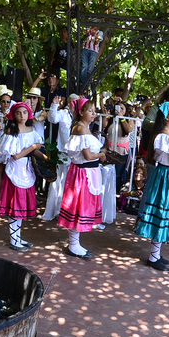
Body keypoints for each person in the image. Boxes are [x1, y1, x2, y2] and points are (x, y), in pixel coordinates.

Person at [135, 102, 169, 271]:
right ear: (167, 117)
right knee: (162, 213)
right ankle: (154, 255)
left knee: (162, 213)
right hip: (168, 178)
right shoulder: (167, 138)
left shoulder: (164, 136)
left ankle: (156, 253)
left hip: (167, 176)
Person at [58, 98, 105, 258]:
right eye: (90, 110)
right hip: (83, 174)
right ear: (81, 112)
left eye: (94, 110)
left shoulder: (82, 128)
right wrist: (102, 154)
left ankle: (75, 243)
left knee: (79, 208)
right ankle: (73, 245)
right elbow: (88, 155)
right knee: (79, 208)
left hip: (83, 172)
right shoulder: (81, 129)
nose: (94, 113)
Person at [0, 102, 44, 251]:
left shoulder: (31, 129)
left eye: (24, 112)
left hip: (27, 169)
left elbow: (34, 150)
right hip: (16, 170)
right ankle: (14, 239)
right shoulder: (12, 130)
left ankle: (18, 237)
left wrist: (47, 159)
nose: (22, 115)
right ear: (13, 115)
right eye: (18, 113)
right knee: (15, 205)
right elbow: (16, 155)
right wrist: (33, 147)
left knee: (21, 205)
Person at [42, 92, 79, 221]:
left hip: (76, 156)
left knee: (72, 185)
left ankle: (69, 212)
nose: (76, 105)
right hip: (62, 154)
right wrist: (54, 105)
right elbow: (52, 118)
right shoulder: (63, 113)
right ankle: (55, 211)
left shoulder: (80, 117)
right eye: (74, 102)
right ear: (69, 103)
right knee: (58, 183)